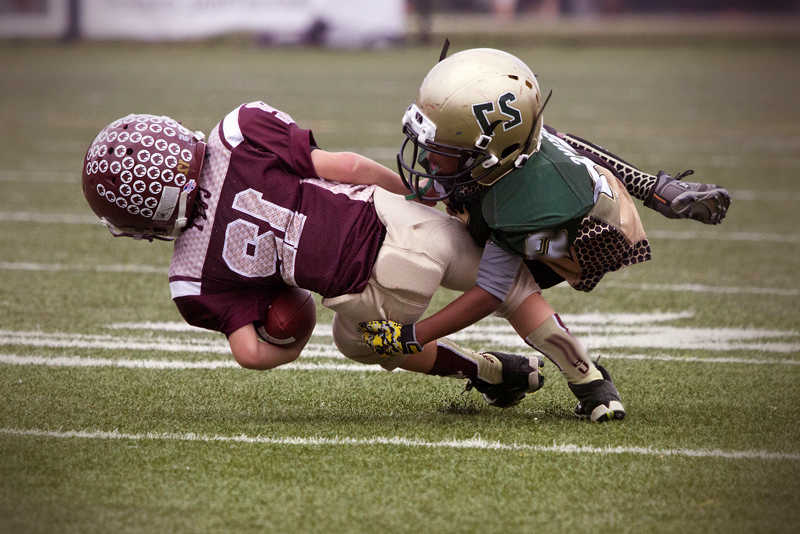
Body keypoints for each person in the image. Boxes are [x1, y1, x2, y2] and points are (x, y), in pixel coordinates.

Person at [81, 101, 546, 409]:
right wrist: (417, 195)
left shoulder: (191, 277)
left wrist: (295, 332)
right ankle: (555, 276)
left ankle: (486, 371)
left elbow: (249, 353)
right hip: (387, 218)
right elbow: (350, 167)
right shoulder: (237, 132)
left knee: (358, 340)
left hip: (367, 293)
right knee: (502, 275)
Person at [359, 47, 731, 422]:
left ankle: (586, 380)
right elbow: (575, 144)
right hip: (551, 210)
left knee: (503, 277)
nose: (428, 158)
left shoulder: (521, 202)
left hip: (576, 242)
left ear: (491, 154)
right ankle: (584, 383)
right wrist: (651, 187)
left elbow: (489, 293)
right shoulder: (516, 144)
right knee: (471, 225)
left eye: (443, 151)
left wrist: (414, 335)